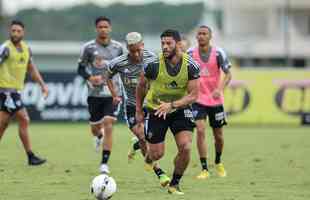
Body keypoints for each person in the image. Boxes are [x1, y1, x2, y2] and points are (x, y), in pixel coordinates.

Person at [136, 29, 200, 195]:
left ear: (178, 44)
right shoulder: (153, 65)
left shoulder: (191, 65)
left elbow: (193, 95)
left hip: (179, 109)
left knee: (185, 147)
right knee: (157, 154)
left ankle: (174, 184)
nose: (164, 46)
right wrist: (138, 110)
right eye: (162, 43)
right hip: (156, 109)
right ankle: (149, 157)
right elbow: (141, 85)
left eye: (168, 43)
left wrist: (172, 105)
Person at [107, 32, 170, 187]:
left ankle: (137, 145)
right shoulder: (119, 63)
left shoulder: (153, 58)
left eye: (138, 50)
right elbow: (107, 76)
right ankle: (159, 173)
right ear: (127, 48)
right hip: (132, 106)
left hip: (151, 104)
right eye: (132, 51)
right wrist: (115, 94)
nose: (136, 54)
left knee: (153, 143)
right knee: (143, 136)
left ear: (142, 45)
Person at [77, 16, 123, 174]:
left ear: (110, 28)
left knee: (109, 123)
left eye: (106, 27)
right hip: (94, 94)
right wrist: (90, 77)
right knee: (96, 128)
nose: (103, 29)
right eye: (100, 27)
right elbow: (80, 68)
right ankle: (98, 137)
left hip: (112, 93)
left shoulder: (118, 48)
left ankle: (104, 163)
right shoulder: (88, 48)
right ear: (96, 29)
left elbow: (124, 67)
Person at [0, 20, 48, 166]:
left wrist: (43, 86)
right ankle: (30, 156)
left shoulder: (27, 49)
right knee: (24, 119)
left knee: (3, 124)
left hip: (15, 92)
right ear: (10, 32)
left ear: (23, 32)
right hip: (5, 92)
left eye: (18, 31)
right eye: (13, 31)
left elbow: (32, 69)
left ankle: (30, 157)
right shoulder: (5, 49)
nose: (15, 33)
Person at [188, 25, 232, 179]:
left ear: (210, 36)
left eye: (204, 34)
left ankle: (218, 162)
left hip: (215, 100)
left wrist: (219, 89)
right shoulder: (190, 53)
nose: (201, 36)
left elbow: (228, 75)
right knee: (200, 130)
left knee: (218, 135)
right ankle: (204, 168)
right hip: (197, 99)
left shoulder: (219, 53)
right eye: (198, 34)